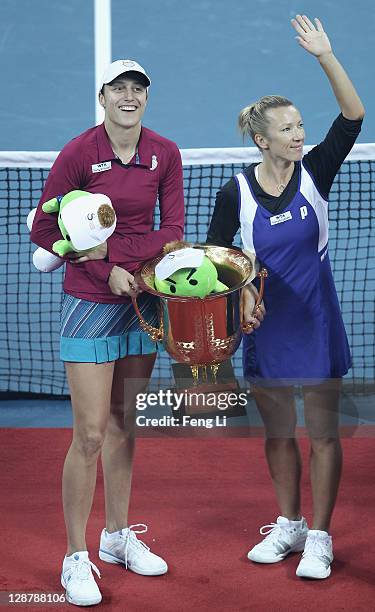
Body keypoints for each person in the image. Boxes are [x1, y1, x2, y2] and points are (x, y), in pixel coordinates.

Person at [207, 15, 364, 580]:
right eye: (289, 129)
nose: (300, 135)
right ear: (261, 138)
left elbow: (352, 117)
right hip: (265, 325)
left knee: (323, 433)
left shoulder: (316, 172)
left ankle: (320, 536)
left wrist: (326, 56)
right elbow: (216, 260)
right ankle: (290, 522)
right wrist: (243, 291)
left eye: (300, 126)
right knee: (278, 433)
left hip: (316, 320)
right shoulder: (235, 193)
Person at [30, 59, 184, 606]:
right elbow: (43, 227)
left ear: (147, 98)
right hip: (90, 300)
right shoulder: (79, 151)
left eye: (138, 89)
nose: (129, 97)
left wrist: (123, 262)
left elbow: (173, 230)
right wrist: (102, 268)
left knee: (124, 425)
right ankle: (76, 555)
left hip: (142, 301)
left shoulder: (164, 152)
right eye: (119, 89)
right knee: (90, 433)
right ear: (103, 97)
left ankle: (117, 537)